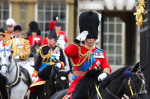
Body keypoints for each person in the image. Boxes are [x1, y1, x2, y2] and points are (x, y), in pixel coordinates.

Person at [63, 11, 112, 99]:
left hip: (95, 83)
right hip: (79, 82)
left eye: (92, 38)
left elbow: (107, 67)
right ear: (85, 38)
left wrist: (105, 73)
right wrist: (77, 40)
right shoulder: (77, 49)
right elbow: (67, 51)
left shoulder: (100, 52)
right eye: (89, 38)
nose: (90, 40)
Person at [29, 23, 66, 92]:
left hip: (56, 69)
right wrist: (34, 75)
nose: (49, 40)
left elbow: (64, 62)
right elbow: (37, 63)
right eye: (48, 38)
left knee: (65, 83)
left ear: (55, 40)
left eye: (51, 38)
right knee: (34, 87)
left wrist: (60, 64)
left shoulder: (59, 49)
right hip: (44, 70)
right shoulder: (43, 49)